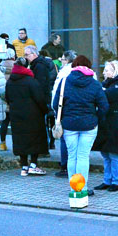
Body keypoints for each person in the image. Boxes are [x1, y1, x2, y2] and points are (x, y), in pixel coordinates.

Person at [53, 55, 108, 198]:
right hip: (89, 125)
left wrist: (65, 116)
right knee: (83, 156)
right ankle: (83, 188)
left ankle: (74, 189)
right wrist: (96, 118)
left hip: (69, 124)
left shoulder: (65, 81)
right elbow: (104, 106)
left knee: (72, 156)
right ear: (89, 67)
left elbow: (55, 104)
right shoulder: (94, 84)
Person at [5, 57, 48, 176]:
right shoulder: (31, 81)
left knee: (20, 140)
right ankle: (33, 165)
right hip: (33, 116)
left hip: (16, 115)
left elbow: (7, 98)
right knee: (35, 139)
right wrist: (45, 110)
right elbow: (39, 99)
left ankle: (24, 166)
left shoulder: (10, 81)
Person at [93, 61, 118, 192]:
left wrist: (101, 91)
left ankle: (116, 181)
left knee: (114, 153)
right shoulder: (107, 84)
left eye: (106, 70)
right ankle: (107, 180)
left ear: (114, 71)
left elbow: (107, 95)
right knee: (106, 153)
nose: (104, 73)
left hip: (115, 122)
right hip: (106, 121)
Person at [51, 49, 77, 177]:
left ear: (67, 60)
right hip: (79, 112)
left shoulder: (64, 73)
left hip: (64, 110)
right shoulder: (85, 71)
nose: (60, 61)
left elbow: (56, 93)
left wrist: (55, 109)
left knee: (64, 139)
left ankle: (65, 166)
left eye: (62, 59)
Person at [25, 45, 57, 149]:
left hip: (41, 100)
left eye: (27, 55)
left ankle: (45, 147)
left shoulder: (39, 66)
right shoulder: (36, 65)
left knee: (43, 125)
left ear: (34, 54)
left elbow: (40, 86)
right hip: (41, 100)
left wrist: (40, 101)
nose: (25, 57)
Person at [0, 48, 16, 151]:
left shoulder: (0, 66)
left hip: (4, 98)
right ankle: (15, 143)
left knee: (4, 122)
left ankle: (2, 143)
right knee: (15, 123)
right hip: (14, 98)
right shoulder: (16, 65)